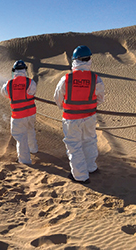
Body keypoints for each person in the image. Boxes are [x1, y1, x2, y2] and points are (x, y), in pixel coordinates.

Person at [54, 45, 105, 184]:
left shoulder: (66, 79)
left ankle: (80, 176)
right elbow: (100, 99)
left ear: (75, 60)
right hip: (89, 117)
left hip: (71, 119)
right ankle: (91, 167)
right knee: (90, 141)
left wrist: (65, 107)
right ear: (89, 60)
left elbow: (58, 97)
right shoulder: (96, 79)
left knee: (74, 145)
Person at [1, 60, 38, 164]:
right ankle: (33, 149)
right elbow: (32, 92)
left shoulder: (8, 84)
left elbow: (5, 94)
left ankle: (24, 160)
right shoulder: (30, 82)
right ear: (25, 70)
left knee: (21, 137)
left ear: (14, 71)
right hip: (31, 114)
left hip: (18, 115)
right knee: (30, 130)